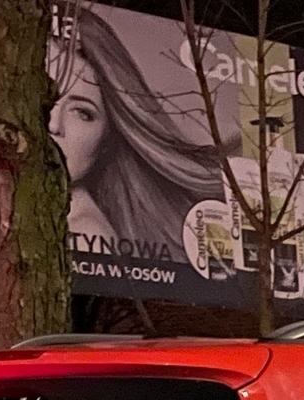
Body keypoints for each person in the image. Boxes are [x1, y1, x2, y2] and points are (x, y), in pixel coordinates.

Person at [49, 10, 225, 251]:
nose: (53, 125)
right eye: (44, 94)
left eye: (82, 112)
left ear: (107, 140)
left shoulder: (84, 235)